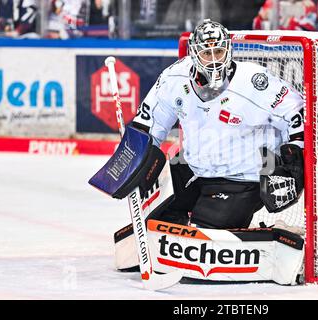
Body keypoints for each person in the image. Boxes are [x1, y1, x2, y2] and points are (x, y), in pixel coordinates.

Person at [130, 19, 305, 229]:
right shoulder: (174, 77)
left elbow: (295, 111)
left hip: (243, 177)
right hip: (193, 169)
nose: (214, 61)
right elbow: (148, 124)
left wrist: (293, 155)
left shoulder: (254, 82)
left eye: (219, 52)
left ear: (229, 50)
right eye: (206, 54)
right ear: (194, 54)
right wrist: (133, 158)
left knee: (205, 235)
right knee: (154, 220)